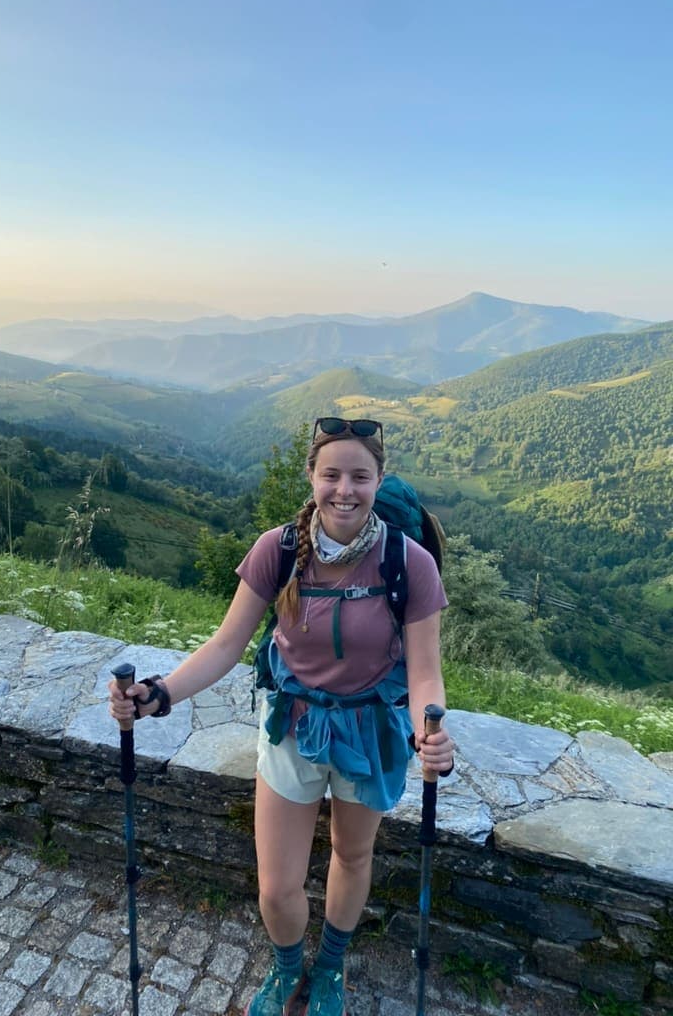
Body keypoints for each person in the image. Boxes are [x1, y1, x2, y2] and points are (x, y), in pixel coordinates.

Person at [108, 416, 453, 1016]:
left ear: (378, 481)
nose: (345, 489)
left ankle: (331, 971)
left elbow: (425, 669)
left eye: (360, 477)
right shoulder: (280, 549)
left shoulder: (409, 562)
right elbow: (224, 647)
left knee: (351, 856)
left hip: (371, 729)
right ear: (312, 477)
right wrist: (159, 694)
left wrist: (432, 728)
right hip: (293, 724)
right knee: (276, 884)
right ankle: (287, 968)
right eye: (332, 475)